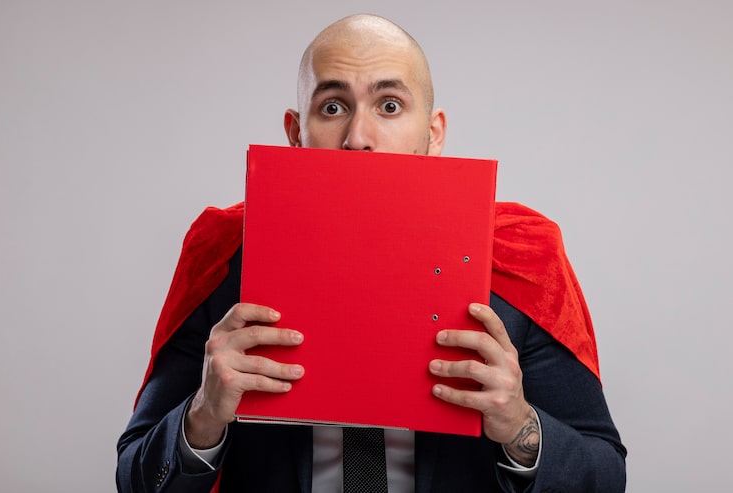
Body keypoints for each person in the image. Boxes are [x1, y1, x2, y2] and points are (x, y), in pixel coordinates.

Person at [117, 13, 626, 493]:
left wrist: (519, 426)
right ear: (295, 134)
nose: (358, 139)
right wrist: (203, 414)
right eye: (332, 107)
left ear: (432, 135)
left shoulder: (519, 257)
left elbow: (604, 474)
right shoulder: (225, 257)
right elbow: (135, 476)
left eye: (389, 106)